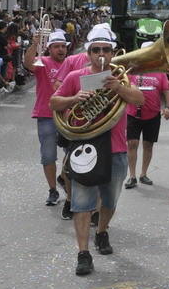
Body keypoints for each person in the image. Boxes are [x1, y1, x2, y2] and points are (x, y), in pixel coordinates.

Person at [51, 24, 144, 276]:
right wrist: (74, 100)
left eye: (105, 50)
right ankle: (83, 253)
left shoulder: (121, 77)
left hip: (115, 148)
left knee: (110, 199)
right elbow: (54, 102)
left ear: (112, 53)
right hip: (85, 146)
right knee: (81, 203)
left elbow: (139, 100)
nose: (101, 54)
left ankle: (102, 231)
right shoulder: (75, 77)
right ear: (88, 53)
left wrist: (119, 88)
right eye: (96, 50)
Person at [26, 30, 74, 212]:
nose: (61, 49)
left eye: (63, 46)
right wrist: (34, 44)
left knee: (71, 153)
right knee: (48, 156)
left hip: (68, 115)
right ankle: (53, 190)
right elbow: (28, 64)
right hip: (46, 115)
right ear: (49, 49)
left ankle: (64, 178)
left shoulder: (71, 63)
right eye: (56, 47)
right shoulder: (43, 62)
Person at [124, 41, 169, 189]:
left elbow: (167, 90)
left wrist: (168, 107)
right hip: (132, 113)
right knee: (132, 144)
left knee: (148, 145)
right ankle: (132, 176)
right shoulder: (132, 70)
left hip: (152, 114)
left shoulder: (160, 72)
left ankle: (143, 174)